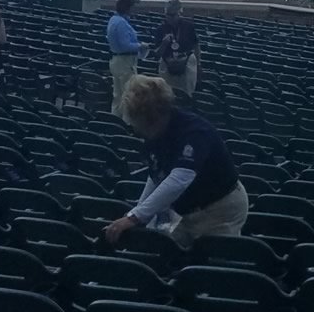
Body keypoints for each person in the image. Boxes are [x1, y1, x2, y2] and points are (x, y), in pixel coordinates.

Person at [102, 76, 249, 246]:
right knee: (162, 249)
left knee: (211, 264)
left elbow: (179, 179)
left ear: (152, 118)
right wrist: (137, 214)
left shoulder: (195, 132)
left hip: (220, 209)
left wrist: (135, 217)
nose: (135, 129)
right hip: (183, 210)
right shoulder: (153, 134)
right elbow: (157, 175)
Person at [105, 0, 143, 111]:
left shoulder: (114, 19)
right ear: (128, 7)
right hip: (124, 62)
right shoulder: (121, 23)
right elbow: (125, 45)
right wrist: (141, 46)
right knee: (128, 96)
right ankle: (125, 123)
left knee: (118, 96)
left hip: (117, 60)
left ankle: (115, 123)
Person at [154, 0, 197, 98]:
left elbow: (196, 45)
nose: (169, 18)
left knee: (186, 95)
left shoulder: (188, 26)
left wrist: (198, 64)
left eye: (172, 15)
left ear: (179, 13)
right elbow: (156, 54)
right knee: (167, 96)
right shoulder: (160, 29)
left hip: (186, 63)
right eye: (167, 15)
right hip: (167, 64)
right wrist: (164, 44)